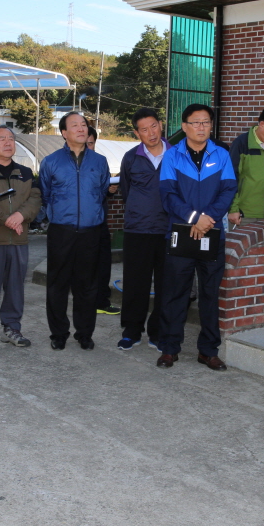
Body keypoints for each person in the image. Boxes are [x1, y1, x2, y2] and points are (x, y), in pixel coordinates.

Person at [156, 103, 238, 370]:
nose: (201, 127)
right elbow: (168, 195)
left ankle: (208, 350)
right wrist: (194, 219)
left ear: (211, 126)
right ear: (184, 126)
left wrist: (207, 220)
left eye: (206, 122)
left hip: (212, 233)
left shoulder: (222, 155)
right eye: (195, 122)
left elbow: (228, 191)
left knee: (210, 295)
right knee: (175, 294)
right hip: (181, 232)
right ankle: (169, 348)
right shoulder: (172, 156)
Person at [39, 112, 111, 351]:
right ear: (63, 133)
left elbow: (101, 193)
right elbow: (46, 194)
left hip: (91, 230)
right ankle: (58, 333)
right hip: (62, 230)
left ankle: (85, 333)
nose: (81, 129)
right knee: (57, 284)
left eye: (84, 125)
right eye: (75, 125)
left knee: (88, 285)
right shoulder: (50, 161)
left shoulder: (99, 161)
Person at [0, 124, 41, 349]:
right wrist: (6, 219)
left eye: (11, 139)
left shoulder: (24, 172)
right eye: (1, 139)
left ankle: (12, 328)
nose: (8, 142)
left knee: (15, 287)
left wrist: (20, 216)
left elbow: (34, 199)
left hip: (19, 240)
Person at [117, 108, 170, 351]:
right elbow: (126, 191)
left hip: (169, 229)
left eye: (154, 126)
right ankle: (131, 330)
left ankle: (158, 332)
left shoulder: (178, 155)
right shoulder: (130, 157)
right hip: (138, 229)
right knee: (135, 282)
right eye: (144, 129)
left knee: (166, 283)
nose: (151, 133)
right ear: (137, 133)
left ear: (161, 125)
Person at [87, 125, 121, 316]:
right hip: (78, 226)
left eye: (91, 143)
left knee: (103, 263)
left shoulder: (101, 162)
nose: (88, 146)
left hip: (100, 223)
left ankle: (101, 301)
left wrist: (109, 191)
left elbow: (102, 192)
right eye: (85, 143)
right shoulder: (67, 165)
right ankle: (86, 302)